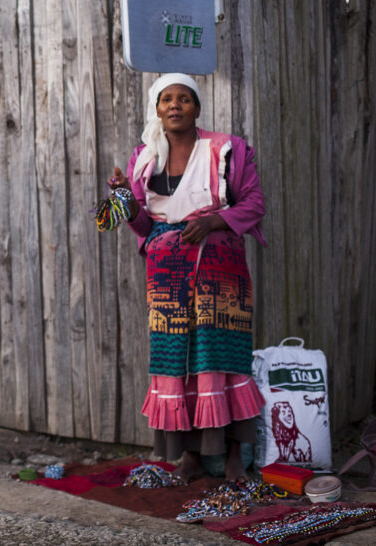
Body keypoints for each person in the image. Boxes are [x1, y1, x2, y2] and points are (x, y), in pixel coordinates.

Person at [107, 73, 267, 482]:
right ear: (156, 109)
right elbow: (143, 225)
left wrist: (215, 222)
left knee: (220, 357)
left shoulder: (227, 149)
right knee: (175, 359)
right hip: (167, 274)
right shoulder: (145, 156)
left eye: (183, 99)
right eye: (166, 100)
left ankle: (233, 456)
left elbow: (253, 203)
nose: (174, 106)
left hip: (219, 269)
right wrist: (123, 196)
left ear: (196, 108)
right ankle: (190, 458)